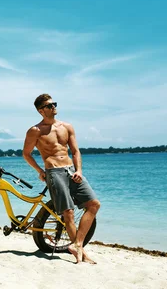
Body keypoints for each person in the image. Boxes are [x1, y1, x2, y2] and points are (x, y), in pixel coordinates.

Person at [22, 93, 101, 264]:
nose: (54, 107)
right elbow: (26, 154)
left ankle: (77, 244)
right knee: (69, 213)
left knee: (94, 204)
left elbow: (75, 151)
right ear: (41, 110)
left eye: (54, 104)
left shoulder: (67, 126)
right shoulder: (35, 131)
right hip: (54, 172)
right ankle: (81, 253)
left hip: (71, 170)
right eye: (50, 105)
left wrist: (79, 170)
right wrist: (40, 170)